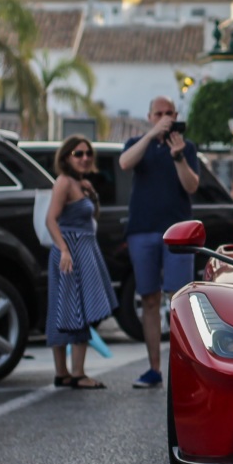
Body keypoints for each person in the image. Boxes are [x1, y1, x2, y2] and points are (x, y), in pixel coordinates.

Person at [118, 96, 201, 389]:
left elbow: (191, 186)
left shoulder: (186, 148)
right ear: (150, 116)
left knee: (179, 301)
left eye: (169, 113)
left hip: (178, 232)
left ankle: (182, 370)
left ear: (176, 115)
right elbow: (125, 163)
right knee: (149, 299)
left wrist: (177, 156)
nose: (165, 118)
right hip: (143, 230)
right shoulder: (137, 144)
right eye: (159, 113)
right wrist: (152, 135)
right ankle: (154, 368)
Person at [46, 135, 118, 390]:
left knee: (70, 309)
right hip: (71, 252)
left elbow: (90, 218)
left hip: (83, 249)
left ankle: (65, 373)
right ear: (66, 157)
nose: (85, 158)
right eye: (78, 153)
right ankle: (75, 373)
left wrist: (91, 194)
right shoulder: (64, 182)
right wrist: (64, 250)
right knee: (74, 310)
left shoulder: (79, 183)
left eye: (88, 153)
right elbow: (50, 220)